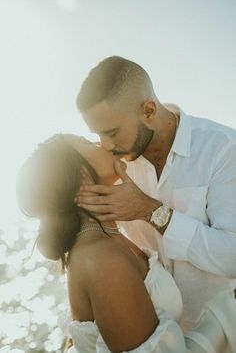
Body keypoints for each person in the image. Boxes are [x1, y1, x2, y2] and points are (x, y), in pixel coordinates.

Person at [16, 133, 236, 353]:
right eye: (86, 142)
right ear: (81, 175)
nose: (100, 143)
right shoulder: (102, 260)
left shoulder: (109, 236)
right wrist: (228, 309)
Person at [75, 56, 236, 331]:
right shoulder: (112, 166)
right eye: (97, 134)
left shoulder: (223, 149)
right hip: (155, 336)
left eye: (111, 131)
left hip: (223, 333)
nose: (105, 144)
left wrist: (150, 211)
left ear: (149, 110)